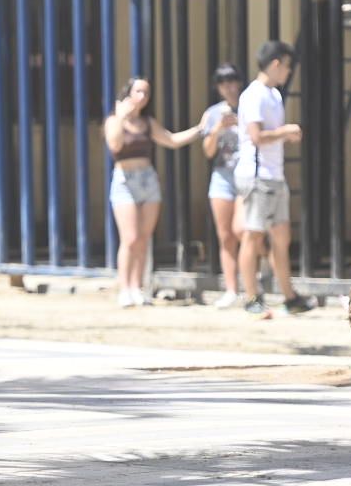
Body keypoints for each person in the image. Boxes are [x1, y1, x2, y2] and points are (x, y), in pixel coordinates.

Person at [105, 76, 205, 308]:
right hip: (124, 180)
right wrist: (121, 117)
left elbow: (170, 140)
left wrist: (199, 129)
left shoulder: (147, 122)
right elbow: (115, 145)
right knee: (128, 238)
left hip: (147, 179)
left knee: (142, 239)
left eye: (146, 93)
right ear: (128, 93)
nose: (142, 96)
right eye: (138, 91)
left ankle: (138, 287)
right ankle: (125, 287)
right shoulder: (114, 120)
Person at [234, 41, 317, 318]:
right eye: (287, 66)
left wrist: (283, 134)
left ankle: (289, 295)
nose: (288, 72)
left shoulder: (273, 95)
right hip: (258, 176)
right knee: (253, 235)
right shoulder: (254, 95)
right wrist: (285, 132)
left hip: (274, 175)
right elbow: (256, 136)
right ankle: (251, 296)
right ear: (276, 64)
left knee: (281, 236)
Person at [199, 63, 247, 308]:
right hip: (222, 176)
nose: (228, 87)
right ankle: (231, 288)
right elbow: (207, 151)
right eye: (223, 83)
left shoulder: (249, 106)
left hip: (246, 176)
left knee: (244, 231)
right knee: (225, 235)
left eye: (232, 81)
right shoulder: (213, 113)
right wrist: (218, 128)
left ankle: (252, 282)